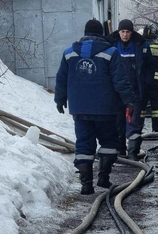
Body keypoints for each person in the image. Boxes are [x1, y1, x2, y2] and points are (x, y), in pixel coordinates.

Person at [55, 19, 136, 195]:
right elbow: (120, 80)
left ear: (84, 33)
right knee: (109, 142)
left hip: (80, 109)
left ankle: (86, 185)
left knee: (84, 143)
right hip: (106, 109)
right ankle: (103, 178)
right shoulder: (111, 52)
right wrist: (129, 100)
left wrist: (60, 100)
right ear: (101, 34)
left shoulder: (69, 53)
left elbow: (61, 79)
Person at [110, 19, 150, 160]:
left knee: (134, 124)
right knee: (118, 123)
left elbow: (149, 69)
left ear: (132, 32)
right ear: (119, 32)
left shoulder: (141, 45)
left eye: (127, 32)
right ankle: (120, 151)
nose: (125, 35)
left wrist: (145, 90)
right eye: (123, 32)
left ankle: (133, 153)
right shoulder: (111, 45)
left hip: (136, 93)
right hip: (117, 93)